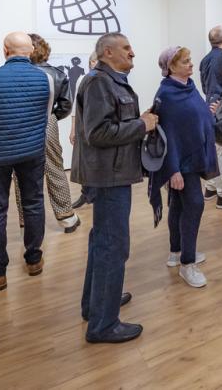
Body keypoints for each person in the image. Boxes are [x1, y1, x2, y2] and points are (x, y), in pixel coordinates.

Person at [71, 32, 157, 344]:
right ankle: (103, 325)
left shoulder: (109, 81)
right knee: (112, 245)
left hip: (112, 173)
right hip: (108, 175)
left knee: (103, 242)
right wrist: (142, 125)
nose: (132, 53)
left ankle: (96, 305)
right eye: (126, 48)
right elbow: (98, 133)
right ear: (108, 52)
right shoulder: (99, 82)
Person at [0, 31, 54, 291]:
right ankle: (34, 260)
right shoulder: (46, 78)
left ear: (5, 50)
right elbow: (46, 115)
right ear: (31, 51)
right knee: (34, 203)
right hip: (32, 151)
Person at [152, 46, 218, 288]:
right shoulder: (167, 94)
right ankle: (187, 265)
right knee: (195, 204)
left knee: (179, 205)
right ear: (171, 67)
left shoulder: (189, 86)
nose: (191, 64)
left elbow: (194, 117)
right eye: (185, 62)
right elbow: (166, 135)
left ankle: (176, 252)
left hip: (193, 157)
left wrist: (208, 113)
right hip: (180, 162)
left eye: (190, 60)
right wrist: (173, 170)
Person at [12, 34, 78, 233]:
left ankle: (27, 220)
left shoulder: (15, 73)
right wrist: (52, 118)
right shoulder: (57, 74)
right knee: (55, 168)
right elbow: (66, 105)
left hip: (19, 123)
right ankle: (67, 218)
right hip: (47, 120)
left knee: (21, 172)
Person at [199, 25, 222, 210]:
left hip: (209, 106)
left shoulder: (205, 59)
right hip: (221, 107)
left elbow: (204, 86)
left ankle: (211, 187)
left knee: (212, 148)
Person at [69, 50, 98, 210]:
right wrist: (73, 129)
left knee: (96, 161)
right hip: (83, 127)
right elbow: (76, 105)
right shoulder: (82, 79)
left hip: (98, 127)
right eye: (92, 61)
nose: (94, 64)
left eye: (97, 61)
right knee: (83, 161)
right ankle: (86, 194)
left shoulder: (106, 81)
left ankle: (94, 194)